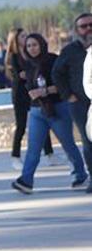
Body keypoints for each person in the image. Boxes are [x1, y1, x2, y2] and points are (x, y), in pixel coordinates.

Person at [11, 34, 88, 194]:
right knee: (33, 148)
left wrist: (44, 91)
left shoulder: (53, 60)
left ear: (42, 45)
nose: (32, 48)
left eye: (35, 45)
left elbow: (63, 84)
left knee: (68, 144)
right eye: (29, 46)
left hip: (57, 108)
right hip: (37, 110)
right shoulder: (28, 64)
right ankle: (26, 180)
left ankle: (80, 174)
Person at [52, 12, 92, 193]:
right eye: (84, 26)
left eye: (91, 24)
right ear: (77, 30)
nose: (88, 29)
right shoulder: (69, 51)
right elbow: (56, 73)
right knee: (88, 141)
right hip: (80, 104)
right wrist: (68, 95)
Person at [7, 28, 55, 169]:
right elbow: (19, 75)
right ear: (16, 39)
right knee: (21, 126)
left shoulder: (30, 55)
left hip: (33, 92)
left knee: (43, 121)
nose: (26, 38)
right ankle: (15, 156)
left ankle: (49, 153)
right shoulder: (14, 57)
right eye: (22, 36)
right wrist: (28, 73)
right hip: (20, 94)